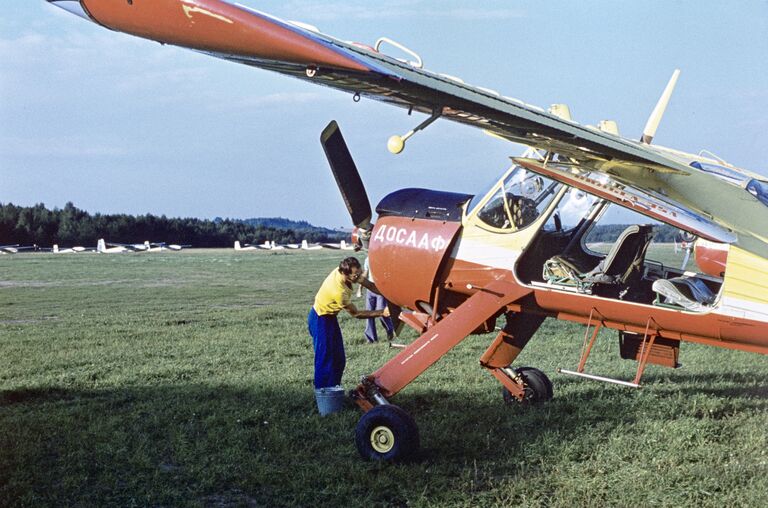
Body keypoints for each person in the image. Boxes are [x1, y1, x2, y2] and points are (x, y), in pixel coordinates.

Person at [307, 257, 389, 389]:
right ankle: (322, 394)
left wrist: (389, 294)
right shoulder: (338, 291)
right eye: (356, 275)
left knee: (339, 359)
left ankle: (334, 390)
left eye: (359, 272)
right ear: (345, 274)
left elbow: (371, 285)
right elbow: (356, 313)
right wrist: (382, 312)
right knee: (325, 360)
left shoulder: (351, 274)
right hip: (320, 319)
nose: (359, 277)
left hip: (330, 318)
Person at [363, 255, 395, 343]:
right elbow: (365, 273)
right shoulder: (367, 259)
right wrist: (359, 288)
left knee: (382, 313)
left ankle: (390, 329)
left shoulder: (382, 259)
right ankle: (371, 339)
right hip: (370, 289)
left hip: (380, 290)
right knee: (369, 313)